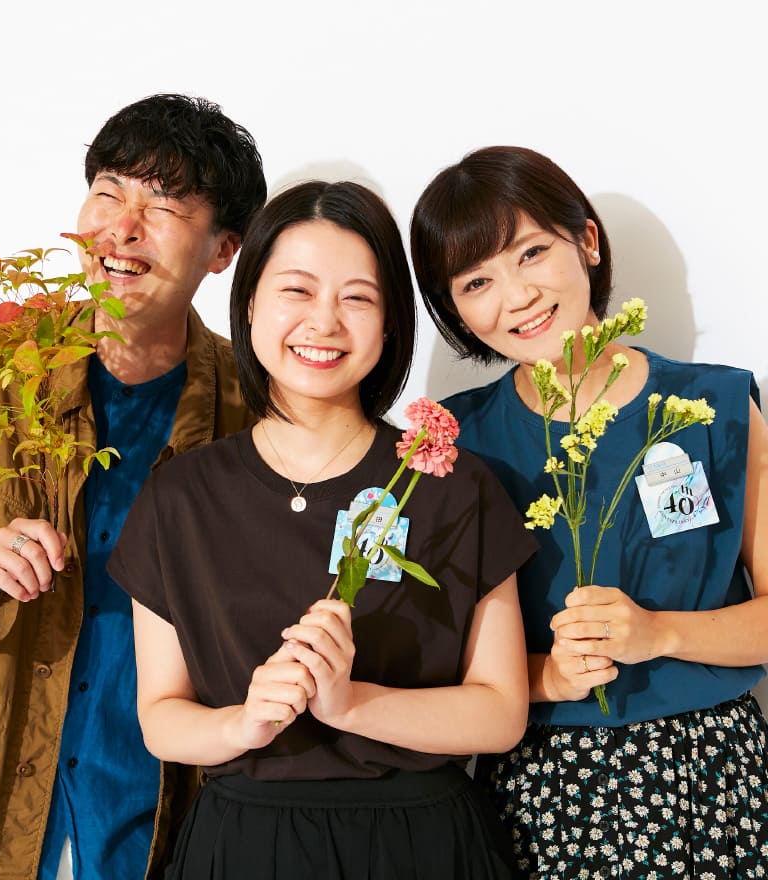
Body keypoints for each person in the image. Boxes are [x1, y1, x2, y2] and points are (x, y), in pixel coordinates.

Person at [107, 180, 536, 879]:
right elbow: (160, 717)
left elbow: (500, 713)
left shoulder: (450, 485)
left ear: (390, 323)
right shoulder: (179, 496)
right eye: (297, 291)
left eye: (357, 298)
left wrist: (352, 703)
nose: (324, 322)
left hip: (421, 846)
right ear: (250, 304)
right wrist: (242, 723)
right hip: (243, 847)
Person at [0, 93, 267, 880]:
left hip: (159, 816)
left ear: (223, 249)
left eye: (162, 205)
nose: (122, 228)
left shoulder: (251, 406)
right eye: (108, 192)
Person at [409, 145, 768, 879]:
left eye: (531, 252)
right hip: (542, 792)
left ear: (588, 242)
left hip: (713, 777)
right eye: (477, 280)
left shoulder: (718, 405)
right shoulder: (455, 443)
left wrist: (659, 632)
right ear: (455, 310)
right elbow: (425, 658)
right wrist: (544, 675)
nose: (517, 295)